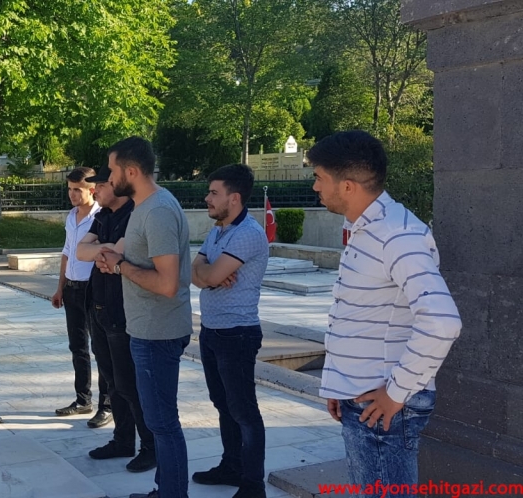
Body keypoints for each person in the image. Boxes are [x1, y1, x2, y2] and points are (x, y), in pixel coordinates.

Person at [307, 130, 461, 494]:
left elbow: (442, 321)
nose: (315, 187)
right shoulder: (368, 229)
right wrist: (339, 382)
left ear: (347, 186)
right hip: (363, 397)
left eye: (319, 178)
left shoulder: (396, 235)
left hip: (383, 405)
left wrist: (396, 393)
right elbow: (360, 316)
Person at [95, 136, 193, 498]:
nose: (109, 176)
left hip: (158, 333)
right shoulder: (145, 206)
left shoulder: (158, 211)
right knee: (159, 421)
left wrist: (120, 265)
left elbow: (167, 283)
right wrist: (116, 261)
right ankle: (165, 490)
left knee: (163, 424)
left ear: (131, 171)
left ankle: (172, 493)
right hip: (146, 330)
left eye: (113, 170)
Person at [189, 164, 269, 498]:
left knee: (244, 411)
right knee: (223, 404)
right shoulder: (219, 229)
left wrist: (208, 273)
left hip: (237, 335)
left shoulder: (248, 233)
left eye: (214, 193)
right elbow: (195, 272)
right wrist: (209, 273)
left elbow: (204, 275)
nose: (207, 198)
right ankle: (231, 466)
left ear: (234, 198)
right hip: (212, 331)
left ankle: (253, 484)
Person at [77, 168, 157, 473]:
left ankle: (150, 447)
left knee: (130, 384)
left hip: (122, 311)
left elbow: (118, 256)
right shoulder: (102, 216)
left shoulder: (134, 215)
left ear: (116, 186)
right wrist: (104, 251)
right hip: (98, 308)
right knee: (112, 381)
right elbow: (81, 251)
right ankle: (123, 440)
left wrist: (102, 252)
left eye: (101, 185)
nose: (95, 191)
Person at [52, 167, 112, 427]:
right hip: (72, 288)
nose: (72, 194)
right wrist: (60, 287)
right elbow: (67, 252)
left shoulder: (101, 217)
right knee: (78, 346)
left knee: (101, 348)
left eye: (77, 189)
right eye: (69, 189)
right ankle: (82, 399)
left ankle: (107, 405)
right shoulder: (71, 216)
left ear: (92, 190)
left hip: (93, 289)